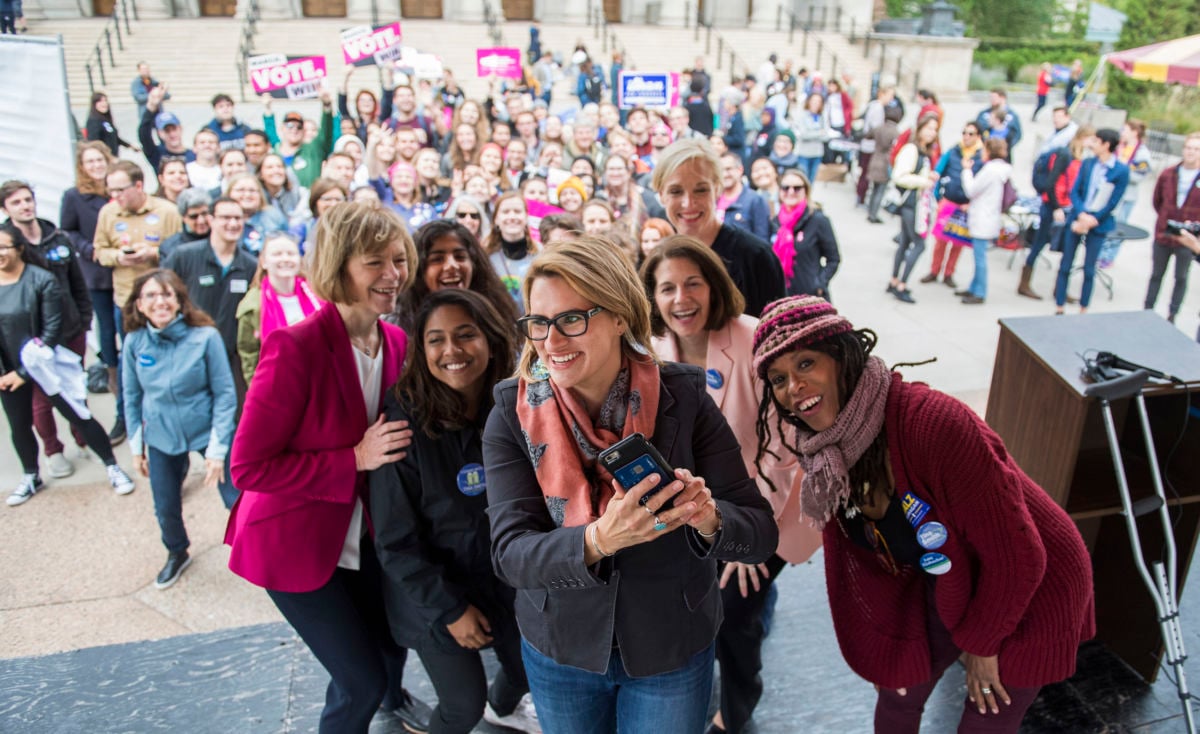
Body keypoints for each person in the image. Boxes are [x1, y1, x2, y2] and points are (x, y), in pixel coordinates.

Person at [750, 294, 1095, 733]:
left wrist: (983, 644)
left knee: (985, 714)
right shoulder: (828, 450)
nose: (792, 388)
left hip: (1031, 584)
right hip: (949, 576)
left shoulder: (933, 424)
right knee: (898, 694)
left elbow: (1020, 555)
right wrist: (894, 651)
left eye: (805, 364)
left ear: (842, 356)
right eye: (778, 378)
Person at [481, 237, 778, 732]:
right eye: (539, 323)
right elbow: (511, 554)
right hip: (563, 649)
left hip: (670, 648)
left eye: (571, 319)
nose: (551, 341)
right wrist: (599, 540)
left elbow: (759, 534)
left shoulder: (683, 398)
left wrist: (709, 519)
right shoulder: (512, 415)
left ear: (620, 315)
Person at [226, 202, 431, 734]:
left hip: (367, 535)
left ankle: (394, 704)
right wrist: (353, 459)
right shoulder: (293, 347)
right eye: (375, 263)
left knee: (388, 651)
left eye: (398, 260)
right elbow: (247, 468)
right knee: (358, 682)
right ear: (339, 267)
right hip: (295, 543)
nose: (393, 275)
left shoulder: (395, 341)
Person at [641, 237, 819, 734]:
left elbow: (785, 452)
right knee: (700, 606)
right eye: (667, 287)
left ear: (713, 286)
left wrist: (746, 540)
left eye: (693, 283)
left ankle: (738, 706)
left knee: (737, 615)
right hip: (698, 509)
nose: (681, 298)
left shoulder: (754, 340)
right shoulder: (655, 352)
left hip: (770, 505)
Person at [371, 289, 539, 734]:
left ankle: (501, 707)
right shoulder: (402, 423)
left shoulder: (516, 404)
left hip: (502, 579)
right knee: (462, 705)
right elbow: (395, 542)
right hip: (429, 590)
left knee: (532, 671)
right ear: (421, 348)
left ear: (491, 339)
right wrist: (450, 610)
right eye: (436, 339)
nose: (452, 351)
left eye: (466, 335)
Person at [0, 228, 135, 506]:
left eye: (4, 247)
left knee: (78, 414)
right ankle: (31, 474)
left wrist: (24, 373)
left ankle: (111, 465)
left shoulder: (42, 281)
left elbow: (51, 330)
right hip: (8, 373)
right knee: (20, 425)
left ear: (20, 248)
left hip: (47, 366)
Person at [121, 269, 236, 586]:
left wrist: (217, 449)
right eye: (151, 296)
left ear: (179, 300)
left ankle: (258, 548)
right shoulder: (134, 342)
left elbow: (225, 395)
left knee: (237, 498)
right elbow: (131, 397)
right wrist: (136, 448)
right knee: (165, 505)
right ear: (140, 305)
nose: (160, 301)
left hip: (206, 428)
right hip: (160, 434)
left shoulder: (205, 337)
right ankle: (177, 552)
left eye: (166, 294)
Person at [1, 180, 95, 473]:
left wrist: (84, 318)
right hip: (32, 338)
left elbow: (77, 281)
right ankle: (53, 450)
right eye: (16, 202)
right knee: (43, 397)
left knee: (74, 388)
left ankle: (83, 438)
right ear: (6, 209)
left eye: (28, 199)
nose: (25, 206)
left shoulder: (57, 236)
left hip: (70, 329)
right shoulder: (8, 245)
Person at [652, 139, 784, 318]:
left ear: (717, 189)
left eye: (701, 190)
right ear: (661, 195)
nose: (688, 203)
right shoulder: (659, 262)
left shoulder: (755, 257)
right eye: (676, 191)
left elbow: (779, 335)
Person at [161, 196, 258, 396]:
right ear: (211, 220)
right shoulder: (184, 256)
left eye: (238, 219)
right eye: (226, 218)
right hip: (188, 351)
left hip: (231, 356)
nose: (233, 224)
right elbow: (161, 293)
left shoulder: (251, 265)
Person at [60, 142, 123, 438]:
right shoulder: (74, 197)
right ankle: (117, 398)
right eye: (90, 161)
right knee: (107, 339)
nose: (96, 165)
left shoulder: (118, 189)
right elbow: (68, 231)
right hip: (98, 276)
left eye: (100, 159)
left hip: (126, 274)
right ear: (82, 166)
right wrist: (88, 250)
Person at [391, 219, 516, 333]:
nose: (452, 266)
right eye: (437, 259)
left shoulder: (498, 318)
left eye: (460, 257)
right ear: (418, 270)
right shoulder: (396, 326)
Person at [1054, 128, 1130, 315]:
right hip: (1079, 217)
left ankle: (1083, 308)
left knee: (1089, 268)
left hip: (1098, 223)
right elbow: (1075, 191)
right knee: (1066, 264)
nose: (1092, 144)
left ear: (1106, 144)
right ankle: (1059, 305)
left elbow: (1114, 200)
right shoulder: (1088, 163)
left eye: (1096, 141)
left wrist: (1094, 219)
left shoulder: (1120, 170)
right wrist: (1081, 214)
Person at [235, 231, 322, 385]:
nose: (285, 259)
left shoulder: (319, 295)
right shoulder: (252, 306)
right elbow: (250, 358)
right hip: (278, 387)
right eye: (277, 254)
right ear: (263, 261)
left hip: (320, 382)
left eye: (291, 253)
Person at [1023, 125, 1092, 300]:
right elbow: (1051, 183)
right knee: (1039, 243)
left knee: (1067, 248)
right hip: (1053, 206)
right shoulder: (1065, 154)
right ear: (1085, 137)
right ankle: (1024, 283)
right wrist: (1056, 207)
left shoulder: (1078, 156)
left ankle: (1060, 289)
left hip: (1066, 206)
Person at [1144, 131, 1200, 324]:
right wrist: (1166, 217)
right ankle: (1148, 309)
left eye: (1196, 149)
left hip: (1187, 238)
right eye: (1188, 148)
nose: (1191, 152)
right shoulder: (1168, 174)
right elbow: (1157, 200)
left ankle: (1172, 314)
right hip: (1164, 233)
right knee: (1156, 274)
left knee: (1181, 277)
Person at [924, 122, 983, 290]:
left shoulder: (979, 157)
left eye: (971, 133)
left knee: (957, 242)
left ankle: (949, 273)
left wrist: (971, 203)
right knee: (940, 240)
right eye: (964, 132)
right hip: (948, 201)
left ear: (977, 136)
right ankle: (934, 270)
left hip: (964, 204)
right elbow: (938, 171)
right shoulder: (953, 151)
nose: (966, 136)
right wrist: (938, 198)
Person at [886, 115, 939, 304]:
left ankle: (894, 280)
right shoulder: (911, 149)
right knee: (919, 243)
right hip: (910, 204)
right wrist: (925, 181)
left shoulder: (924, 151)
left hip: (916, 204)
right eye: (929, 128)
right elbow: (899, 176)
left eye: (935, 129)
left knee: (906, 242)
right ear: (921, 128)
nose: (932, 132)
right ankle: (901, 283)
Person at [958, 137, 1012, 305]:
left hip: (983, 218)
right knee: (979, 256)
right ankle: (974, 287)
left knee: (980, 258)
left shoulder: (990, 170)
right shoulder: (1002, 170)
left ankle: (979, 291)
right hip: (989, 216)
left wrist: (966, 171)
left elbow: (971, 190)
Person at [770, 169, 840, 300]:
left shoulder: (818, 220)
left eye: (797, 188)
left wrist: (819, 284)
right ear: (779, 192)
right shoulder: (775, 223)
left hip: (810, 298)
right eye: (785, 188)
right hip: (781, 296)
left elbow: (833, 259)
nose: (791, 192)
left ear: (806, 191)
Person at [485, 192, 537, 313]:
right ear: (496, 219)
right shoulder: (485, 257)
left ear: (526, 217)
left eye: (517, 211)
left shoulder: (541, 254)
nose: (512, 216)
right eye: (506, 212)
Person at [224, 172, 286, 255]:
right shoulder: (220, 218)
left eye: (252, 190)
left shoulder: (274, 216)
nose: (247, 194)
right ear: (229, 193)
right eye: (241, 190)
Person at [718, 152, 770, 241]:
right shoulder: (712, 199)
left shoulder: (755, 200)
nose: (725, 175)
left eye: (728, 169)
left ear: (740, 170)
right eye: (720, 170)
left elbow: (762, 241)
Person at [865, 105, 903, 224]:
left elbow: (868, 135)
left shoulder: (879, 128)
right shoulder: (895, 132)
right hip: (885, 161)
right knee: (880, 190)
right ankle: (873, 214)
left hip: (875, 158)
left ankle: (870, 211)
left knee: (874, 188)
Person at [1115, 119, 1152, 225]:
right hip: (1112, 194)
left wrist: (1120, 171)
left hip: (1127, 196)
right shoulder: (1119, 147)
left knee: (1119, 227)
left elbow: (1138, 176)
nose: (1122, 133)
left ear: (1134, 132)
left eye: (1125, 130)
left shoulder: (1143, 153)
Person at [791, 93, 829, 184]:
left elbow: (826, 136)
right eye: (814, 101)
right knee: (802, 180)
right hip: (804, 153)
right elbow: (804, 135)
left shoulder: (822, 117)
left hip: (817, 153)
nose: (816, 104)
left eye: (818, 101)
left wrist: (814, 133)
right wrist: (819, 133)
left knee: (811, 181)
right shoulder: (802, 115)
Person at [86, 93, 137, 157]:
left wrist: (129, 145)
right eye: (100, 101)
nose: (104, 103)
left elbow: (113, 137)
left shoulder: (105, 119)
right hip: (105, 157)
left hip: (113, 156)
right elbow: (94, 142)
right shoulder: (93, 121)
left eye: (105, 100)